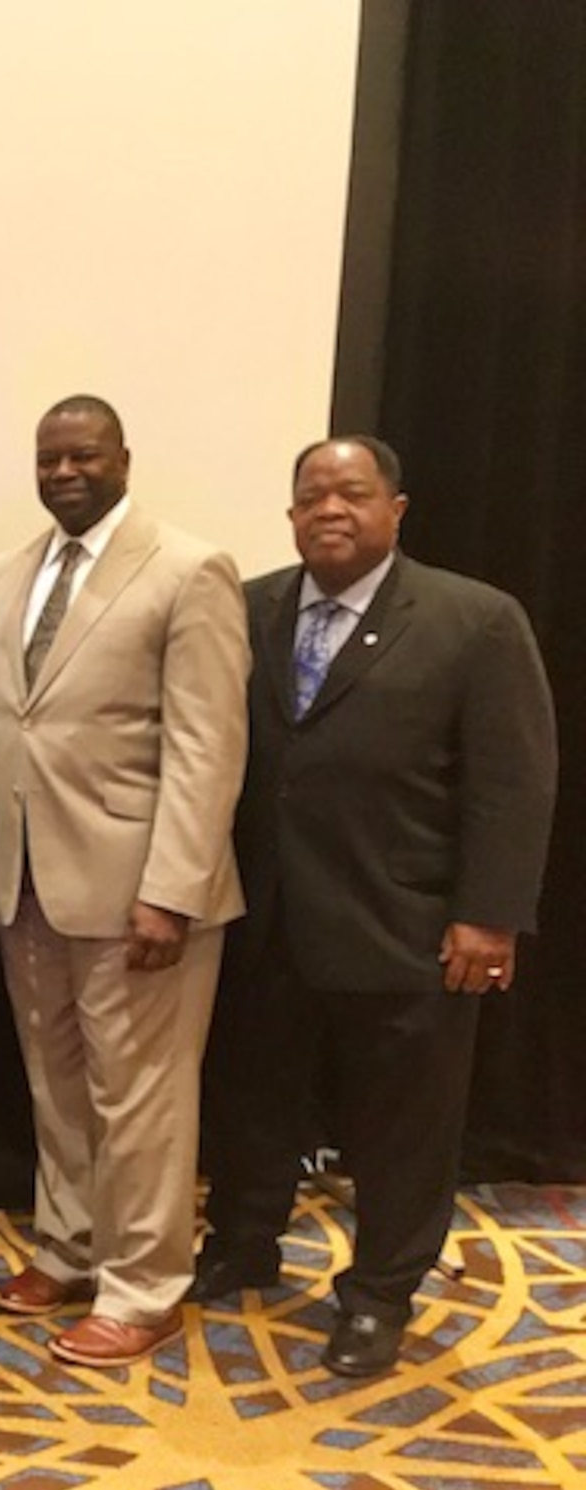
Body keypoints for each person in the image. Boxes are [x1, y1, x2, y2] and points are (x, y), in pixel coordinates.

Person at [190, 436, 557, 1378]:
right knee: (250, 1102)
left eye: (352, 494)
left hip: (405, 925)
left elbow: (513, 783)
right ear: (290, 515)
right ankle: (241, 1243)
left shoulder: (473, 620)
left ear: (397, 509)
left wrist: (490, 916)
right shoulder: (251, 607)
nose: (329, 510)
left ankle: (378, 1293)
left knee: (402, 1129)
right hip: (265, 917)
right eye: (311, 496)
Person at [0, 395, 248, 1368]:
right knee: (55, 1083)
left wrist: (172, 890)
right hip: (19, 881)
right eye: (47, 458)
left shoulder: (187, 569)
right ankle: (67, 1250)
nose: (63, 471)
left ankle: (144, 1288)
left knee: (141, 1100)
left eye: (83, 455)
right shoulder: (3, 576)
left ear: (122, 457)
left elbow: (207, 747)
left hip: (136, 895)